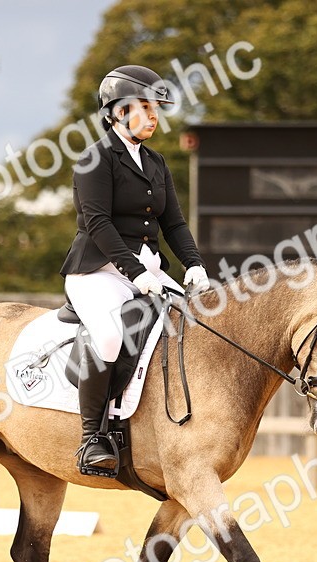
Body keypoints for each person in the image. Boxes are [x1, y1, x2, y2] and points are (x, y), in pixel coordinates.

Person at [60, 65, 210, 471]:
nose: (154, 116)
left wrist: (193, 264)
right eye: (144, 107)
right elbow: (98, 223)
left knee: (200, 323)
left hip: (147, 269)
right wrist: (136, 273)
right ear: (116, 112)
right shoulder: (95, 159)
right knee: (109, 337)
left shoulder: (156, 162)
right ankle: (92, 437)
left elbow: (173, 223)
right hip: (97, 271)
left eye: (155, 108)